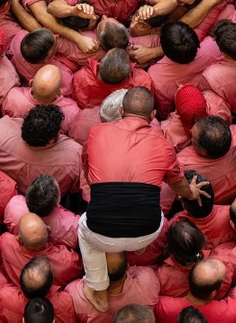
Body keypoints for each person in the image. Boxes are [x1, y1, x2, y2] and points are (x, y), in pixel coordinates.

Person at [80, 87, 209, 312]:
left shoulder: (96, 133)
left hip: (103, 234)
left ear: (121, 111)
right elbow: (178, 185)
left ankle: (98, 287)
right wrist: (191, 192)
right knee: (155, 208)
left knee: (83, 226)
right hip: (146, 234)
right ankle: (136, 246)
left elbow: (89, 172)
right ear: (152, 116)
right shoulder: (164, 145)